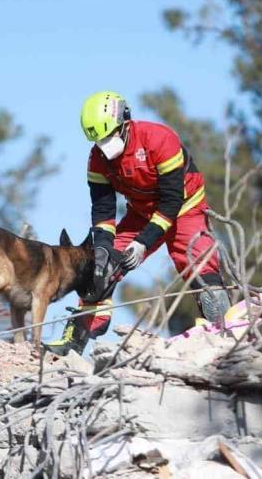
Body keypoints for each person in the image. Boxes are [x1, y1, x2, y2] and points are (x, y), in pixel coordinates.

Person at [44, 90, 230, 356]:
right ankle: (76, 337)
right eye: (98, 140)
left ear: (125, 123)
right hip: (141, 213)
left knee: (200, 263)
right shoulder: (97, 158)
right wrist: (104, 247)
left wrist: (143, 243)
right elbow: (103, 207)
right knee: (100, 267)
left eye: (109, 136)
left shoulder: (159, 139)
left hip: (185, 208)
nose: (105, 146)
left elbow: (171, 201)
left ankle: (223, 332)